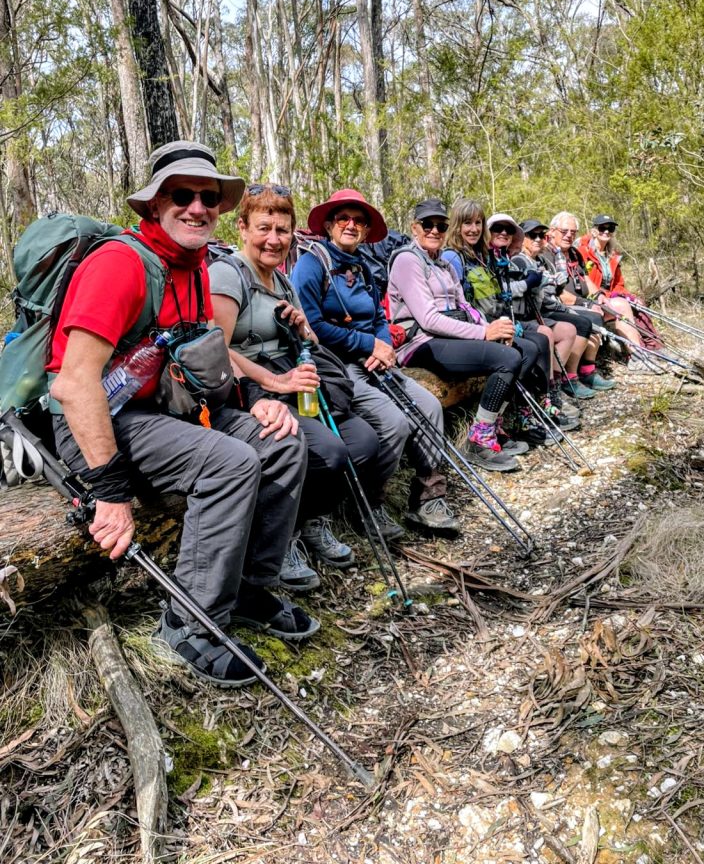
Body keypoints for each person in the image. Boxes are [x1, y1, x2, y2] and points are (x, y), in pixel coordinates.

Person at [48, 141, 319, 690]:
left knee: (283, 441)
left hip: (166, 409)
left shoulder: (194, 266)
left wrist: (256, 397)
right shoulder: (121, 264)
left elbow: (204, 357)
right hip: (98, 420)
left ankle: (246, 589)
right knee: (230, 463)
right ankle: (190, 621)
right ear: (154, 204)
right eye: (181, 196)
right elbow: (74, 385)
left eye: (208, 197)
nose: (197, 207)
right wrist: (110, 490)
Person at [210, 184, 382, 592]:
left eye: (283, 230)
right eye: (264, 228)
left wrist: (303, 329)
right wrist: (273, 381)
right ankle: (280, 537)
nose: (274, 239)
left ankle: (309, 520)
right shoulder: (228, 274)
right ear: (242, 228)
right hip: (249, 393)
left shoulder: (282, 282)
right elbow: (215, 348)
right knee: (329, 452)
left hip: (291, 382)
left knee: (363, 442)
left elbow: (311, 342)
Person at [291, 189, 458, 533]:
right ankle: (369, 503)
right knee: (392, 423)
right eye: (343, 218)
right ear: (329, 224)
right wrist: (368, 344)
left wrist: (383, 347)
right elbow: (312, 326)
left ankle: (429, 498)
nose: (351, 225)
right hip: (336, 367)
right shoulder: (312, 264)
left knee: (429, 406)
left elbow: (380, 317)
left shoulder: (363, 266)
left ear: (367, 230)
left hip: (374, 361)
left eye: (359, 221)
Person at [387, 198, 526, 472]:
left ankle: (492, 426)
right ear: (415, 228)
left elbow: (466, 308)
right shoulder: (407, 260)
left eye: (441, 226)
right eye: (427, 225)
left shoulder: (444, 264)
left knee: (520, 350)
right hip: (420, 343)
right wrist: (484, 333)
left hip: (447, 338)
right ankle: (478, 440)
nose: (434, 231)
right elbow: (428, 319)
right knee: (507, 359)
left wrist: (496, 328)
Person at [443, 198, 552, 414]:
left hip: (492, 321)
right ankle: (498, 417)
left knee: (539, 341)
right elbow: (458, 304)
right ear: (457, 225)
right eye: (467, 223)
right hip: (474, 327)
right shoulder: (452, 257)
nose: (474, 229)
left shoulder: (481, 255)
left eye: (478, 223)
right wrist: (488, 328)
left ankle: (524, 408)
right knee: (527, 349)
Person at [511, 220, 599, 400]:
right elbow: (527, 293)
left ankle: (560, 382)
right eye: (532, 235)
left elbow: (555, 290)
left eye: (541, 235)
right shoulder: (518, 260)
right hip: (531, 313)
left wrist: (557, 285)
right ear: (522, 238)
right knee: (573, 326)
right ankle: (550, 388)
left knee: (580, 324)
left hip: (544, 307)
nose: (538, 239)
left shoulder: (543, 260)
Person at [542, 212, 616, 391]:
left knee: (603, 311)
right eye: (564, 231)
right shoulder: (545, 255)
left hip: (578, 301)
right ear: (552, 231)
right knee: (591, 317)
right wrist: (587, 304)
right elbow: (558, 294)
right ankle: (570, 376)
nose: (569, 235)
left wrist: (598, 296)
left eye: (573, 232)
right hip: (557, 305)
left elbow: (585, 278)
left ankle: (588, 370)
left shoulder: (574, 253)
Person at [577, 214, 660, 367]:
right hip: (592, 298)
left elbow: (618, 285)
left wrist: (630, 296)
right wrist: (611, 296)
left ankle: (654, 348)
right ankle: (635, 356)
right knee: (621, 306)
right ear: (594, 230)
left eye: (610, 228)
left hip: (609, 297)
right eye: (602, 228)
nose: (606, 232)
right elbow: (586, 283)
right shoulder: (582, 252)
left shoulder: (612, 255)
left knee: (638, 306)